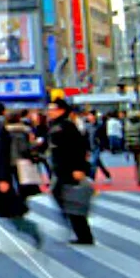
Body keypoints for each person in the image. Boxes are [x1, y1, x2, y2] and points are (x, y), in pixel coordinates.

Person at [0, 99, 42, 255]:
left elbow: (3, 155)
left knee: (5, 211)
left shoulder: (1, 130)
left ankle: (30, 229)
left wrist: (3, 178)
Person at [48, 99, 94, 245]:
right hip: (61, 168)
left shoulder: (67, 126)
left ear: (61, 110)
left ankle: (84, 234)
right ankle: (80, 230)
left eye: (53, 109)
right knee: (64, 196)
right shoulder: (54, 125)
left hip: (69, 168)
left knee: (72, 198)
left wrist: (79, 168)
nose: (49, 111)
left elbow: (78, 147)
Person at [86, 110, 112, 182]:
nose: (88, 117)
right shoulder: (88, 126)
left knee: (93, 161)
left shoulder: (99, 125)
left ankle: (91, 177)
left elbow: (104, 136)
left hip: (97, 146)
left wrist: (104, 145)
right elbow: (86, 137)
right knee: (98, 162)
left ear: (94, 116)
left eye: (90, 115)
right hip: (91, 146)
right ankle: (107, 175)